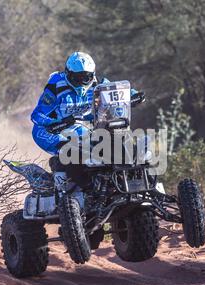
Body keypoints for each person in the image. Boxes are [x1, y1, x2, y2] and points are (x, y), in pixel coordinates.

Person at [30, 52, 144, 195]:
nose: (82, 82)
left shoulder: (98, 84)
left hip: (79, 127)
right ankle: (80, 186)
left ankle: (121, 181)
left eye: (86, 77)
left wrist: (133, 94)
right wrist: (56, 122)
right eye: (76, 78)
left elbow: (118, 90)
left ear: (92, 74)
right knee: (71, 153)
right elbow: (36, 115)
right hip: (49, 131)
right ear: (67, 73)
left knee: (104, 146)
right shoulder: (55, 87)